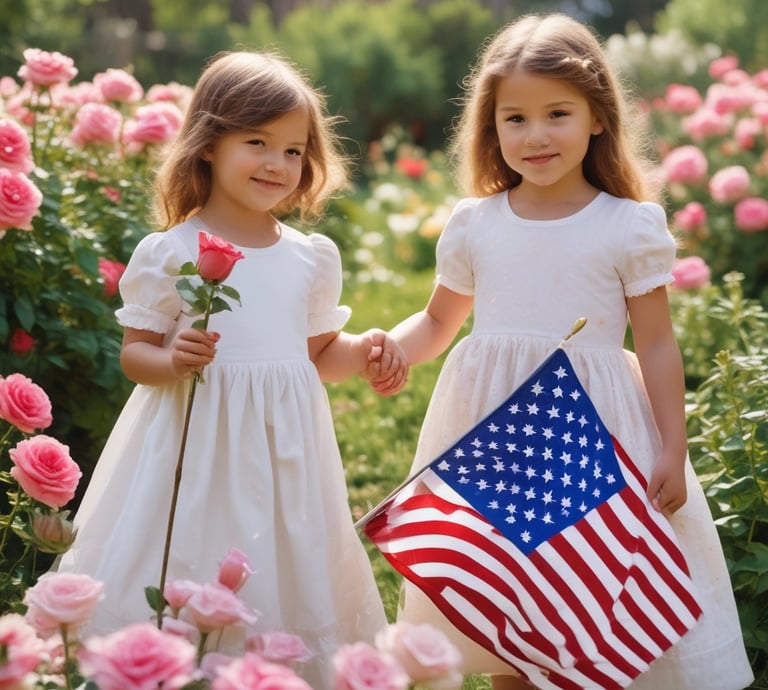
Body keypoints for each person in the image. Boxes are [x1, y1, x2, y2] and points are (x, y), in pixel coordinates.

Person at [383, 13, 754, 690]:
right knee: (509, 601)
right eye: (515, 119)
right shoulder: (475, 224)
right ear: (492, 128)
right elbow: (438, 320)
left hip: (593, 436)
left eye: (557, 113)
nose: (536, 135)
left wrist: (673, 446)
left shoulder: (626, 225)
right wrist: (394, 349)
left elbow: (657, 342)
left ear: (598, 117)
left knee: (581, 598)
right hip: (495, 437)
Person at [55, 50, 407, 690]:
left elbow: (319, 355)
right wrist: (170, 359)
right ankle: (171, 657)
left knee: (285, 558)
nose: (277, 163)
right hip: (192, 451)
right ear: (209, 143)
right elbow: (135, 354)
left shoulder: (308, 258)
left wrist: (364, 350)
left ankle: (272, 665)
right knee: (187, 548)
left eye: (294, 151)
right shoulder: (172, 251)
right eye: (257, 143)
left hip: (284, 458)